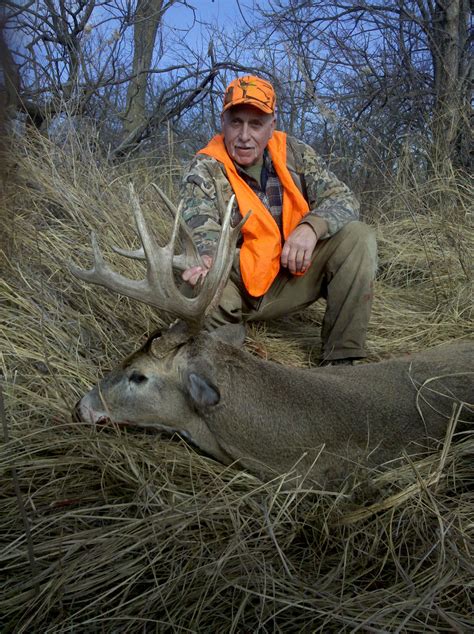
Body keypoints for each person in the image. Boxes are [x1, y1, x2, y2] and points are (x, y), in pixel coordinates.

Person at [179, 75, 377, 364]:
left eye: (256, 124)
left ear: (271, 126)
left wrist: (312, 227)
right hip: (236, 284)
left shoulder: (294, 154)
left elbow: (344, 199)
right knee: (201, 293)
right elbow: (201, 225)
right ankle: (233, 353)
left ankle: (342, 359)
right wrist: (207, 258)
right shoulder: (205, 168)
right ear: (223, 123)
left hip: (291, 273)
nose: (244, 135)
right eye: (236, 122)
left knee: (358, 237)